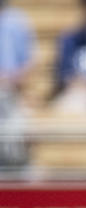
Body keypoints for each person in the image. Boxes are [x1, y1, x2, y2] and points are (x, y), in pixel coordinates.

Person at [0, 0, 34, 165]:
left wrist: (12, 80)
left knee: (21, 126)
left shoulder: (16, 20)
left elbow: (29, 62)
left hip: (14, 93)